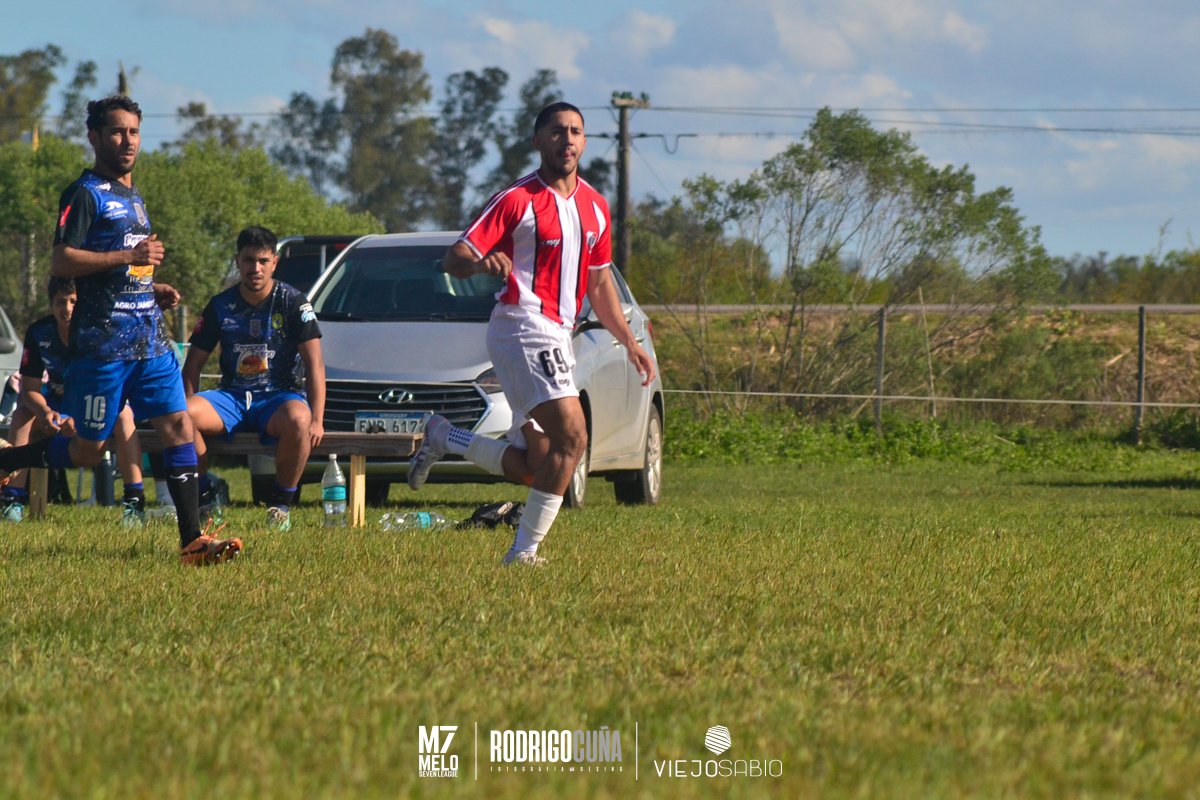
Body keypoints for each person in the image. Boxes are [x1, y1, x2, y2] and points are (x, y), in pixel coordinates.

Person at [408, 101, 656, 565]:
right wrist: (481, 264)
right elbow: (454, 259)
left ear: (585, 142)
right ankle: (523, 552)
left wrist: (630, 342)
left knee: (538, 465)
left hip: (558, 334)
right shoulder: (516, 199)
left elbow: (600, 285)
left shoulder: (596, 207)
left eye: (576, 131)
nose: (568, 139)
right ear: (538, 140)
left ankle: (444, 436)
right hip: (522, 326)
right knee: (573, 437)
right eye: (558, 131)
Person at [0, 95, 242, 565]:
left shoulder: (134, 197)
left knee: (179, 425)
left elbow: (124, 270)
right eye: (116, 131)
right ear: (94, 137)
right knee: (88, 451)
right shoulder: (84, 193)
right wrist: (130, 257)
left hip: (149, 341)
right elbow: (62, 260)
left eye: (133, 132)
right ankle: (7, 461)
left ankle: (192, 541)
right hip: (103, 349)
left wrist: (150, 288)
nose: (127, 140)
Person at [183, 225, 325, 532]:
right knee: (182, 414)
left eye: (263, 261)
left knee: (300, 419)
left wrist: (317, 419)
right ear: (237, 261)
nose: (255, 268)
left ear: (275, 262)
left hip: (277, 397)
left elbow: (315, 364)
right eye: (249, 260)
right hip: (231, 397)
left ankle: (281, 505)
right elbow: (193, 364)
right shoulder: (220, 305)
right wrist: (188, 406)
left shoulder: (293, 302)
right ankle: (205, 496)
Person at [0, 277, 147, 525]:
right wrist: (45, 412)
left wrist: (81, 417)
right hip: (56, 404)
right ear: (51, 305)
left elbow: (113, 387)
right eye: (60, 302)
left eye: (73, 301)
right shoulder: (39, 332)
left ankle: (134, 501)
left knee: (124, 415)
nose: (66, 309)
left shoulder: (102, 332)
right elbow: (30, 390)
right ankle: (11, 499)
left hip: (94, 402)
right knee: (22, 415)